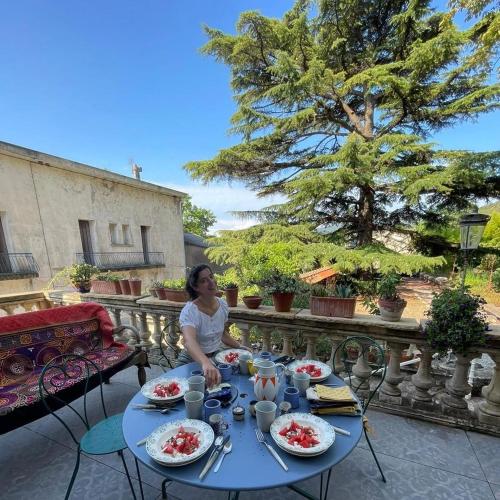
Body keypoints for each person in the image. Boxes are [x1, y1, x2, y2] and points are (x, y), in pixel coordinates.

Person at [177, 264, 252, 387]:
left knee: (230, 386)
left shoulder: (222, 305)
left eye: (211, 277)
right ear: (196, 287)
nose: (211, 282)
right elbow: (188, 341)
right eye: (204, 281)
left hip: (217, 356)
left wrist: (240, 346)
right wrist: (205, 362)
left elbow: (222, 334)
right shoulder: (190, 311)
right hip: (192, 360)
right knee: (186, 392)